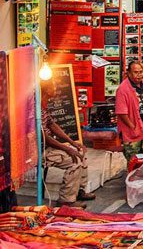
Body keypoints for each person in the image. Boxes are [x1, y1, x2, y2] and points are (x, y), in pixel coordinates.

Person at [41, 76, 95, 208]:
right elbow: (44, 137)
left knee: (80, 152)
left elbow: (53, 126)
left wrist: (72, 142)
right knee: (74, 161)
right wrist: (66, 148)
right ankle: (66, 199)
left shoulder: (44, 106)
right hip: (40, 149)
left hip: (49, 146)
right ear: (47, 89)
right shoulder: (35, 106)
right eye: (53, 85)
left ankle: (79, 190)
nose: (55, 88)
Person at [115, 61, 143, 161]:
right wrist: (133, 127)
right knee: (134, 162)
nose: (139, 75)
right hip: (131, 133)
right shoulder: (122, 89)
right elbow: (122, 113)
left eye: (141, 72)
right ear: (129, 73)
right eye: (136, 72)